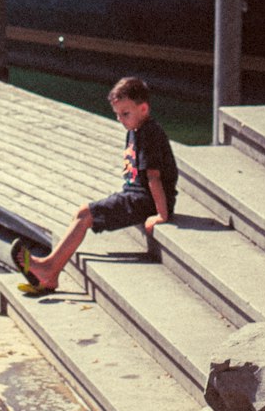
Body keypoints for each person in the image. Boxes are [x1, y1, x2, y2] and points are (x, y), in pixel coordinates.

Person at [10, 75, 178, 295]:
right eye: (117, 115)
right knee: (82, 213)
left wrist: (162, 215)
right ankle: (50, 270)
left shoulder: (150, 135)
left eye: (125, 114)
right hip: (136, 195)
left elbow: (154, 178)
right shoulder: (136, 129)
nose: (121, 119)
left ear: (143, 109)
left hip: (145, 202)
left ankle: (49, 270)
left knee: (85, 215)